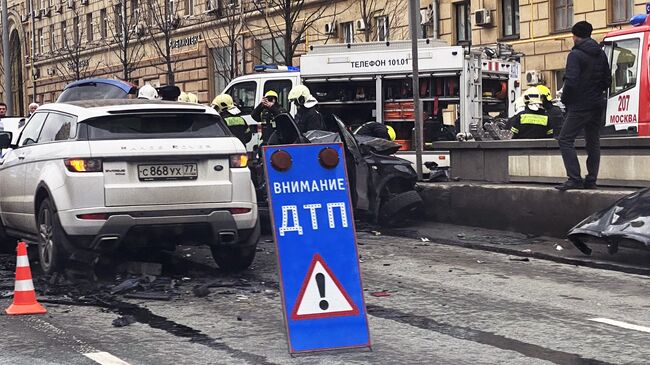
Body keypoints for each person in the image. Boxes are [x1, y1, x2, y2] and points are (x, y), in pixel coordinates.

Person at [556, 21, 611, 191]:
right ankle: (591, 180)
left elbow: (571, 82)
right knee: (593, 142)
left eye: (573, 35)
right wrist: (595, 93)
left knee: (565, 139)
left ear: (576, 36)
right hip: (597, 105)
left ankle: (574, 179)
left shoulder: (575, 54)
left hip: (580, 105)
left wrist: (565, 100)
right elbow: (607, 81)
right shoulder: (600, 54)